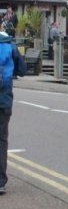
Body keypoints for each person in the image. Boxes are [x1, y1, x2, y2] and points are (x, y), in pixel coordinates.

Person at [0, 22, 27, 195]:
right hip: (3, 101)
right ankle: (0, 181)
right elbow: (23, 70)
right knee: (1, 141)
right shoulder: (10, 46)